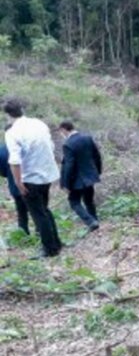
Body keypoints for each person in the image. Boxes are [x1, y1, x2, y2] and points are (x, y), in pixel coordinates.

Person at [2, 98, 62, 258]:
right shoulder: (38, 123)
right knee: (45, 209)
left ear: (7, 114)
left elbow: (14, 161)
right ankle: (56, 242)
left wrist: (18, 183)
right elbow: (51, 146)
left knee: (38, 214)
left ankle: (49, 249)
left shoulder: (12, 132)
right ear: (22, 109)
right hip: (47, 174)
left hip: (30, 177)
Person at [58, 121, 103, 231]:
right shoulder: (87, 138)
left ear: (64, 129)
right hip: (90, 175)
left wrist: (66, 184)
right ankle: (94, 220)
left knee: (74, 202)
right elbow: (97, 156)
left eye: (61, 131)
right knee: (89, 200)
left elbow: (69, 165)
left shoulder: (68, 144)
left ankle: (90, 221)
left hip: (77, 179)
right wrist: (97, 171)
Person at [0, 136, 31, 236]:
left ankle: (24, 233)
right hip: (32, 183)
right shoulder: (27, 147)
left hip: (15, 185)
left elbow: (2, 172)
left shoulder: (2, 150)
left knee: (21, 212)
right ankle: (41, 233)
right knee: (38, 211)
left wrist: (9, 175)